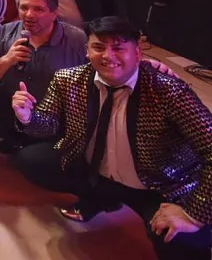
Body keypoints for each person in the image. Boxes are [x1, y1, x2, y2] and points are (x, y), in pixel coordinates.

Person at [12, 17, 212, 260]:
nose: (108, 55)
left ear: (137, 53)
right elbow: (48, 125)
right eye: (98, 47)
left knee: (182, 241)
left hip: (158, 185)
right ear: (86, 51)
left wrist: (193, 213)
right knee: (30, 159)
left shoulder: (168, 91)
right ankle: (100, 198)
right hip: (94, 170)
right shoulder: (68, 79)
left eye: (118, 48)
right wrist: (27, 118)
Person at [0, 0, 87, 154]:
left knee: (36, 157)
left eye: (38, 9)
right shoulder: (7, 31)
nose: (29, 15)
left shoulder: (76, 38)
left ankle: (33, 143)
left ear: (55, 13)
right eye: (24, 8)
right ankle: (17, 138)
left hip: (53, 111)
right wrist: (8, 59)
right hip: (12, 104)